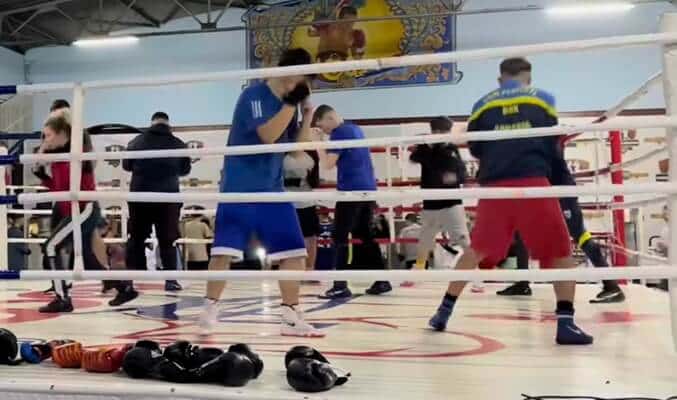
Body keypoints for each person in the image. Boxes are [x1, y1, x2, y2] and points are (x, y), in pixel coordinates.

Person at [428, 58, 593, 345]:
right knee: (560, 252)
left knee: (476, 250)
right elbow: (551, 141)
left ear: (499, 79)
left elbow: (476, 147)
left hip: (495, 187)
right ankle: (566, 323)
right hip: (533, 181)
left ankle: (443, 311)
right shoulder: (543, 98)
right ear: (528, 78)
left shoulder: (482, 103)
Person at [199, 48, 323, 337]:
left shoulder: (289, 106)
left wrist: (307, 115)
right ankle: (209, 308)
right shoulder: (253, 95)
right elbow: (267, 136)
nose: (303, 87)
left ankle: (290, 315)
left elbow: (297, 150)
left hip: (272, 189)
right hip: (239, 187)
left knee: (294, 252)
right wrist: (291, 105)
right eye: (303, 80)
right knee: (224, 252)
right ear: (290, 73)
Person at [110, 112, 191, 306]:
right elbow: (185, 170)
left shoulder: (136, 142)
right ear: (168, 124)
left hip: (141, 196)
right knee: (168, 240)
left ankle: (131, 281)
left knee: (136, 239)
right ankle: (171, 280)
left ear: (151, 123)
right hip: (168, 198)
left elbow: (127, 166)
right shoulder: (178, 144)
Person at [313, 104, 392, 299]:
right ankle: (382, 280)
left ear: (330, 118)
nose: (323, 131)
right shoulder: (355, 129)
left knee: (339, 235)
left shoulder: (339, 133)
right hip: (367, 189)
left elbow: (327, 164)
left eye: (322, 126)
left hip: (351, 191)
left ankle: (340, 285)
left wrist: (318, 143)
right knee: (365, 234)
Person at [34, 115, 109, 313]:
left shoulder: (78, 153)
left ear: (62, 134)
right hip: (74, 210)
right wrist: (41, 172)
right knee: (87, 256)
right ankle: (122, 286)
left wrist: (45, 155)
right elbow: (59, 189)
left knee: (51, 246)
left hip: (85, 208)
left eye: (49, 135)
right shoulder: (58, 158)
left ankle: (62, 298)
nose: (45, 140)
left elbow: (77, 182)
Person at [404, 117, 472, 288]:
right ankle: (418, 271)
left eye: (443, 131)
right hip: (431, 202)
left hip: (451, 202)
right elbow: (414, 157)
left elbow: (461, 174)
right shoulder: (427, 147)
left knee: (463, 239)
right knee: (425, 240)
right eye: (437, 131)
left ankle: (477, 275)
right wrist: (426, 145)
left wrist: (453, 176)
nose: (440, 134)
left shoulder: (451, 149)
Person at [283, 150, 321, 273]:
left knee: (310, 237)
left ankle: (309, 270)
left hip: (306, 200)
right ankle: (289, 270)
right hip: (286, 201)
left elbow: (314, 179)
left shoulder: (312, 152)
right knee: (287, 236)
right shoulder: (281, 151)